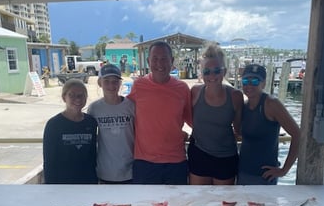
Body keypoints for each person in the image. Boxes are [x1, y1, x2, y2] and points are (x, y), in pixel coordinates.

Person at [128, 41, 192, 184]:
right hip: (144, 162)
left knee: (178, 205)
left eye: (164, 58)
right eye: (155, 59)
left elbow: (194, 121)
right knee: (143, 205)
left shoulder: (182, 88)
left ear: (172, 61)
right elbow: (123, 112)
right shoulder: (138, 86)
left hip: (176, 162)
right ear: (148, 61)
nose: (159, 63)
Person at [187, 42, 243, 185]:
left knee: (223, 203)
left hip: (226, 157)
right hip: (199, 154)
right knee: (199, 201)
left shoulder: (235, 96)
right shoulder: (195, 92)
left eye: (217, 70)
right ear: (201, 73)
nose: (212, 75)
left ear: (224, 72)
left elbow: (238, 129)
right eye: (207, 71)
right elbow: (188, 119)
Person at [237, 64, 300, 185]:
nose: (249, 85)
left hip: (264, 177)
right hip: (242, 172)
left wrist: (284, 170)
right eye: (245, 81)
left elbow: (297, 134)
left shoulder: (272, 104)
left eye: (255, 81)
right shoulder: (243, 105)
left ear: (264, 83)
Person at [43, 79, 98, 184]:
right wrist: (50, 187)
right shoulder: (54, 124)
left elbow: (93, 154)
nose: (77, 99)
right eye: (71, 95)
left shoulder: (91, 122)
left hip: (88, 181)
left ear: (86, 98)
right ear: (64, 97)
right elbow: (49, 160)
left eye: (80, 95)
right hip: (62, 183)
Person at [87, 64, 135, 184]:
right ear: (99, 83)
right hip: (105, 171)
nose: (111, 85)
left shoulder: (131, 105)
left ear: (120, 84)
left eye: (115, 81)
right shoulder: (94, 108)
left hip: (130, 169)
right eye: (106, 81)